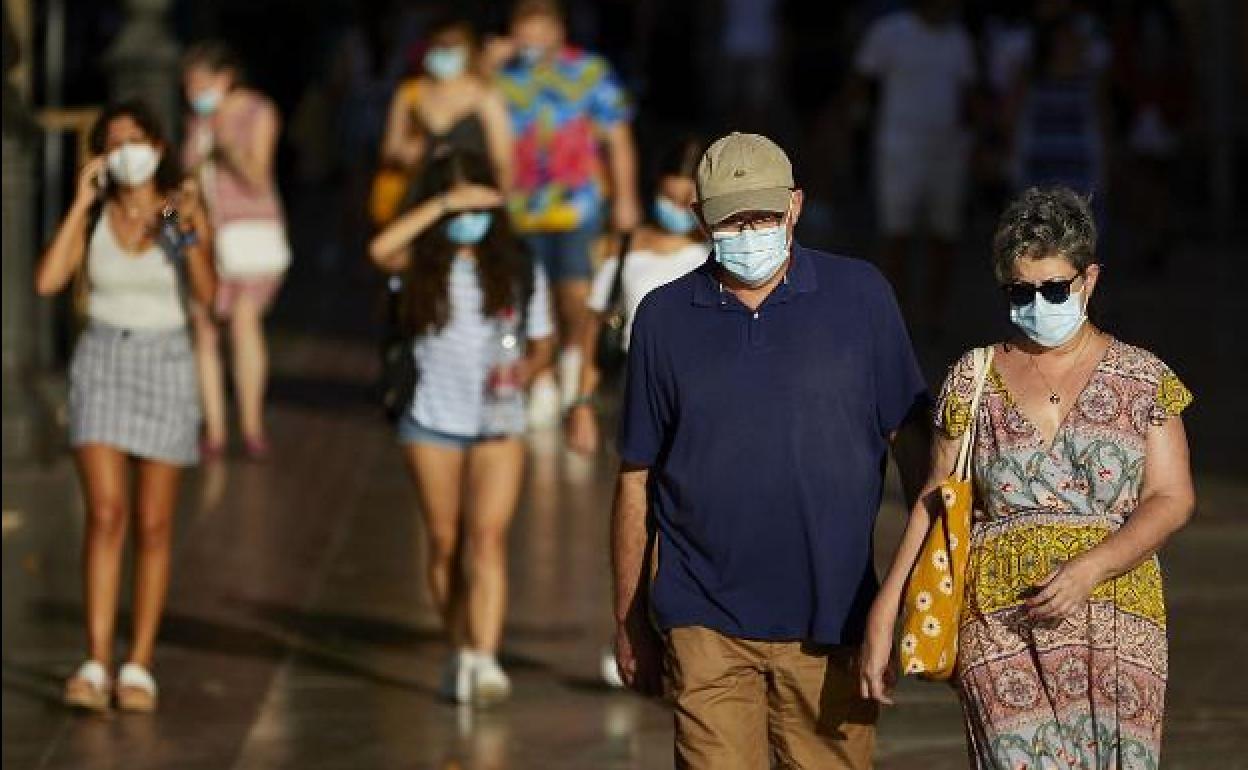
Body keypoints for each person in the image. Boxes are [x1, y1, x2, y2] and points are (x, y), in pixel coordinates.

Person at [611, 132, 930, 768]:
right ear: (701, 219)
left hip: (833, 619)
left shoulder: (860, 297)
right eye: (731, 217)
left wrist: (913, 596)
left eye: (763, 214)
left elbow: (919, 454)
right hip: (704, 621)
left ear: (796, 207)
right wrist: (628, 622)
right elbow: (636, 480)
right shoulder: (663, 318)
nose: (749, 231)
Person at [860, 187, 1195, 769]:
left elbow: (1171, 497)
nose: (1039, 303)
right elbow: (934, 500)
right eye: (1021, 291)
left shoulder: (1143, 378)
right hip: (997, 618)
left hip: (1116, 618)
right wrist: (885, 610)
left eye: (1055, 288)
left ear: (1089, 279)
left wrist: (1094, 565)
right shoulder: (973, 375)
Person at [34, 101, 217, 713]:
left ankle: (138, 661)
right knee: (106, 513)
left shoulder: (178, 208)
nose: (124, 153)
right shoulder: (95, 215)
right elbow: (47, 281)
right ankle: (94, 658)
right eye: (111, 144)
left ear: (158, 147)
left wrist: (183, 227)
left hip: (166, 362)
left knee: (154, 523)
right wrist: (82, 203)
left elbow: (210, 292)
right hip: (103, 359)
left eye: (134, 140)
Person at [368, 148, 554, 706]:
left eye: (478, 204)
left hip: (499, 419)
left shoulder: (520, 266)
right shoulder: (420, 265)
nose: (468, 218)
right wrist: (444, 204)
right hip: (430, 417)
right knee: (445, 543)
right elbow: (379, 249)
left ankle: (484, 656)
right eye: (456, 207)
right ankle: (458, 646)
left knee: (488, 539)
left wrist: (527, 370)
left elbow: (544, 343)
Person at [493, 0, 641, 424]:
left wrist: (626, 196)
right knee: (527, 293)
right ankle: (539, 374)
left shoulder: (589, 72)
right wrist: (484, 67)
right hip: (519, 207)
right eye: (524, 29)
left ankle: (574, 362)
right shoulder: (500, 79)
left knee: (576, 290)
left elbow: (618, 136)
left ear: (559, 30)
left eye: (541, 28)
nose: (532, 39)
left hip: (579, 203)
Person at [564, 135, 706, 456]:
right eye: (667, 197)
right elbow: (596, 327)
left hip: (702, 380)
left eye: (686, 200)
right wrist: (582, 403)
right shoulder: (625, 247)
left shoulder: (717, 250)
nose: (675, 208)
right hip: (637, 379)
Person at [182, 41, 288, 460]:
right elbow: (186, 182)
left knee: (245, 321)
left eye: (201, 83)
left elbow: (258, 177)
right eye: (189, 86)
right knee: (205, 329)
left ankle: (251, 425)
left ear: (225, 78)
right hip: (207, 236)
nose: (195, 93)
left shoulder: (258, 111)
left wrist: (226, 145)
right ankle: (215, 429)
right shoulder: (197, 122)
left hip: (251, 233)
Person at [852, 0, 976, 337]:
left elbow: (967, 95)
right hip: (899, 147)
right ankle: (897, 315)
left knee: (945, 233)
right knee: (897, 233)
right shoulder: (890, 32)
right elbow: (863, 81)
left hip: (948, 148)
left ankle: (934, 316)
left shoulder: (958, 39)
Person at [376, 16, 514, 222]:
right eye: (440, 46)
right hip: (419, 204)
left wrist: (501, 207)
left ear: (468, 50)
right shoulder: (409, 94)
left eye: (454, 46)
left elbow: (503, 160)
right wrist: (404, 152)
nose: (446, 52)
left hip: (472, 207)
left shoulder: (485, 96)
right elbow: (389, 149)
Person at [1007, 12, 1111, 200]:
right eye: (1064, 39)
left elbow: (1102, 133)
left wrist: (1101, 181)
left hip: (1081, 186)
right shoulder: (1031, 83)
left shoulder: (1091, 85)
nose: (1072, 44)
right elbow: (1012, 125)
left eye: (1074, 38)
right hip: (1037, 185)